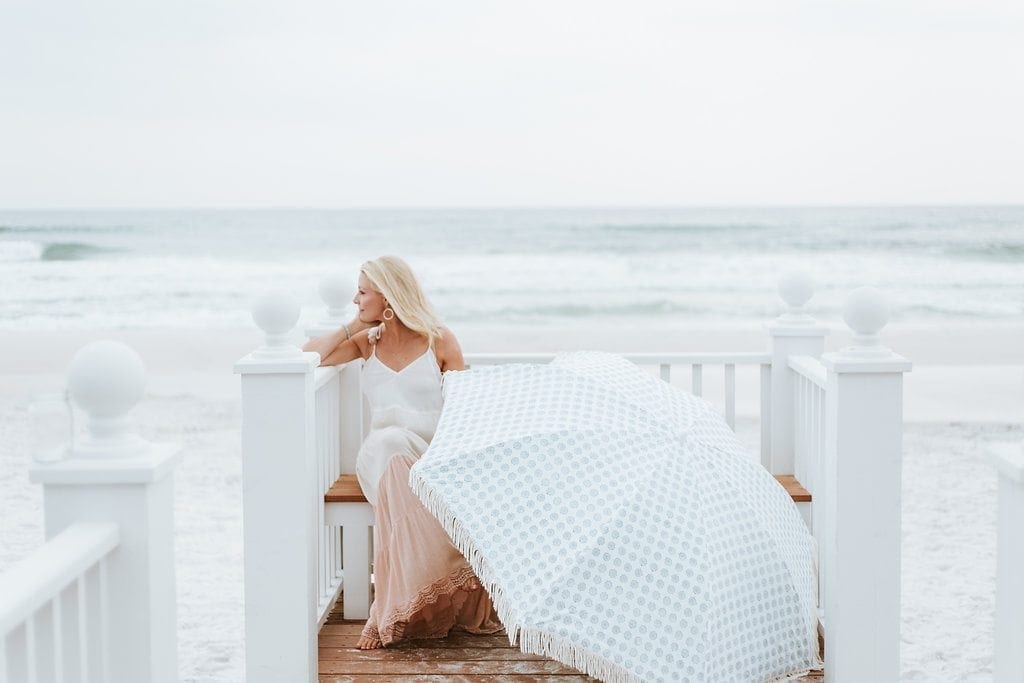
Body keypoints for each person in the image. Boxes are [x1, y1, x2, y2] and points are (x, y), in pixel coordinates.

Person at [303, 255, 503, 650]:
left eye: (362, 293)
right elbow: (311, 354)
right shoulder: (367, 342)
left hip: (427, 459)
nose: (356, 301)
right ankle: (420, 588)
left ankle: (400, 602)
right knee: (390, 445)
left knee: (402, 461)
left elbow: (465, 409)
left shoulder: (439, 340)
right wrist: (353, 326)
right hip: (379, 458)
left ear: (388, 296)